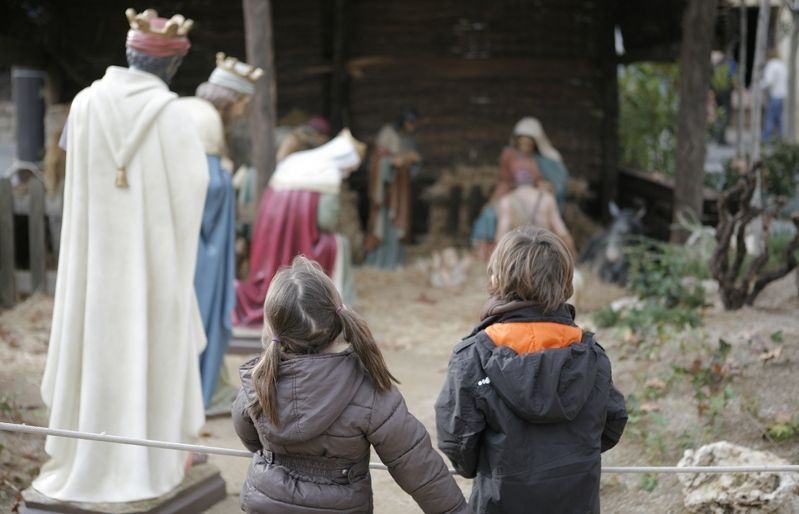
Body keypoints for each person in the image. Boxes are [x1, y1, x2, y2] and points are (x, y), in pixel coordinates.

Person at [34, 8, 208, 502]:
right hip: (152, 269)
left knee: (96, 351)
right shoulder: (173, 114)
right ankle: (146, 462)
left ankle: (88, 456)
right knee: (149, 350)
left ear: (130, 55)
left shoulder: (85, 104)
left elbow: (70, 170)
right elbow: (195, 186)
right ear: (171, 67)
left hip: (94, 266)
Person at [232, 256, 469, 514]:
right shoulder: (370, 390)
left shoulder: (259, 381)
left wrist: (277, 457)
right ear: (337, 317)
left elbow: (246, 432)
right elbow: (419, 467)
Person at [435, 227, 627, 514]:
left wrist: (484, 466)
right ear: (566, 283)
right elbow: (613, 422)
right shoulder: (592, 357)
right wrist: (571, 459)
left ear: (497, 279)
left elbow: (457, 439)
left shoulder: (474, 355)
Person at [177, 53, 263, 412]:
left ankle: (209, 383)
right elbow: (208, 187)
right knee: (205, 311)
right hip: (202, 244)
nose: (243, 112)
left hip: (188, 237)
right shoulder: (207, 120)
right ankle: (203, 388)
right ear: (233, 99)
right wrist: (226, 176)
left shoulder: (192, 111)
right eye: (244, 103)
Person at [234, 130, 365, 326]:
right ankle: (338, 307)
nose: (350, 172)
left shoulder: (297, 162)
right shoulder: (328, 173)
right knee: (340, 244)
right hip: (303, 244)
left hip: (272, 239)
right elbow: (327, 221)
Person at [472, 117, 570, 258]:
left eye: (528, 143)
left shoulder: (542, 160)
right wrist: (496, 199)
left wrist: (543, 186)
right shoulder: (509, 156)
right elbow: (504, 180)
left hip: (535, 197)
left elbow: (555, 183)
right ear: (516, 141)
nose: (524, 146)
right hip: (511, 196)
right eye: (521, 142)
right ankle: (491, 256)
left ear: (535, 143)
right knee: (490, 216)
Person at [364, 110, 422, 268]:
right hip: (387, 190)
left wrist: (413, 161)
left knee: (398, 225)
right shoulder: (387, 134)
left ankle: (395, 260)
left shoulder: (410, 139)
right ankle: (379, 262)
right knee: (383, 223)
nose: (412, 127)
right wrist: (391, 163)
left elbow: (415, 165)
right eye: (410, 123)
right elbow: (378, 159)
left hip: (401, 189)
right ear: (403, 121)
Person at [495, 173, 576, 255]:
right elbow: (561, 231)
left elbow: (502, 232)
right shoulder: (547, 198)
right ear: (533, 183)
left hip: (519, 252)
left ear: (514, 183)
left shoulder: (506, 201)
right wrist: (573, 254)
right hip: (544, 251)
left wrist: (499, 257)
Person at [762, 48, 787, 142]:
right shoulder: (782, 65)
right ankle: (781, 140)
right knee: (779, 119)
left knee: (770, 118)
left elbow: (768, 81)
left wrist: (759, 86)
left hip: (774, 95)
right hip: (782, 95)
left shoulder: (771, 65)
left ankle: (765, 140)